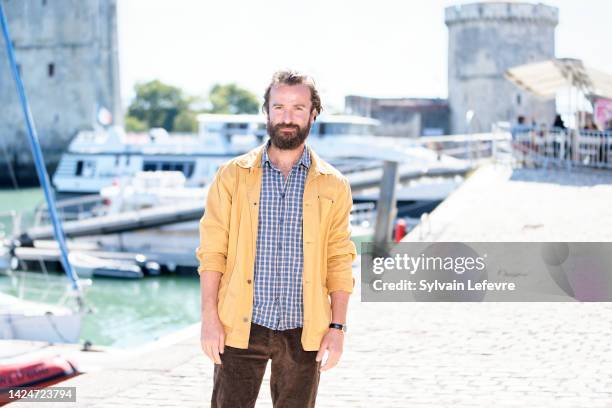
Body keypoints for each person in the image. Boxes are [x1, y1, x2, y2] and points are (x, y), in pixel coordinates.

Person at [196, 70, 356, 407]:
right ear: (266, 111)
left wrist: (337, 327)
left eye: (298, 108)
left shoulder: (334, 184)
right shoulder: (232, 176)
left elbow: (339, 259)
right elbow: (212, 253)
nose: (287, 117)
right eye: (279, 106)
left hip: (304, 328)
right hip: (240, 324)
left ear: (314, 113)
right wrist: (209, 320)